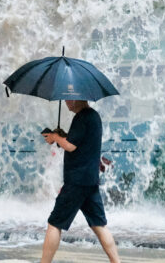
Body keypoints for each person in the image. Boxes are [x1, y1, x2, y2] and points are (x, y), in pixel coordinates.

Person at [40, 99, 120, 263]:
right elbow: (79, 143)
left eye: (70, 99)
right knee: (99, 225)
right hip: (90, 181)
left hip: (76, 181)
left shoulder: (82, 118)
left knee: (54, 223)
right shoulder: (94, 116)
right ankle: (116, 262)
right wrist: (62, 136)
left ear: (79, 98)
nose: (67, 102)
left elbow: (71, 147)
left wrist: (55, 136)